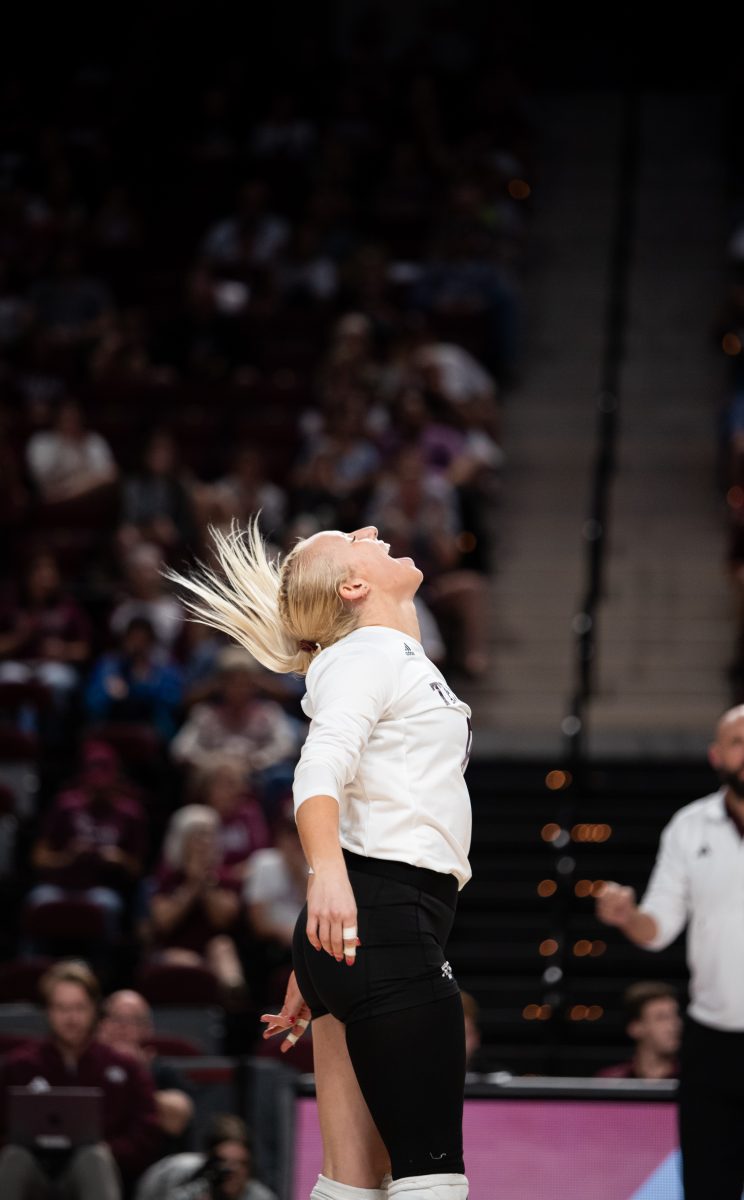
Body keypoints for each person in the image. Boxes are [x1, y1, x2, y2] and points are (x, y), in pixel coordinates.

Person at [170, 519, 472, 1200]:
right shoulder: (369, 654)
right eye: (351, 536)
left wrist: (321, 931)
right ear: (355, 585)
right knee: (431, 1175)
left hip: (355, 928)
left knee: (351, 1181)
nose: (370, 528)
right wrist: (329, 879)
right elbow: (317, 772)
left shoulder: (383, 656)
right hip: (384, 916)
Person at [596, 705, 744, 1200]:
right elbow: (657, 928)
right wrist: (627, 916)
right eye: (738, 741)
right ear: (716, 755)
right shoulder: (689, 826)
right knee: (707, 1185)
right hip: (712, 1039)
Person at [0, 960, 161, 1198]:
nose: (71, 1018)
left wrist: (109, 1150)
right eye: (61, 1008)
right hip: (35, 1169)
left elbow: (146, 1134)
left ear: (94, 1010)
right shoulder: (18, 1066)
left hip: (97, 1171)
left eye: (79, 1008)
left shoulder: (124, 1068)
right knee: (15, 1157)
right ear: (47, 1011)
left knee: (92, 1157)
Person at [147, 805, 247, 1004]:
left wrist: (205, 882)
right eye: (197, 837)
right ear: (181, 842)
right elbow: (164, 921)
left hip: (213, 952)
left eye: (209, 837)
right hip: (174, 949)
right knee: (184, 959)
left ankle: (235, 1000)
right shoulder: (167, 878)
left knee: (222, 946)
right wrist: (192, 885)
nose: (204, 843)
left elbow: (223, 920)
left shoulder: (225, 878)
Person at [98, 990, 194, 1147]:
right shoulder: (84, 1065)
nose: (123, 1027)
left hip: (152, 1160)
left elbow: (178, 1119)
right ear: (101, 1025)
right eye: (116, 1018)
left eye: (134, 1020)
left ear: (147, 1029)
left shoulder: (161, 1071)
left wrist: (135, 1074)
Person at [134, 1113, 278, 1200]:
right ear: (209, 1162)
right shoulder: (193, 1193)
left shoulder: (261, 1197)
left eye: (241, 1163)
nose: (231, 1171)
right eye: (223, 1162)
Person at [595, 981, 681, 1080]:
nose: (674, 1025)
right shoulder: (609, 1082)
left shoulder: (694, 1080)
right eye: (661, 1018)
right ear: (635, 1027)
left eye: (675, 1016)